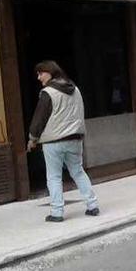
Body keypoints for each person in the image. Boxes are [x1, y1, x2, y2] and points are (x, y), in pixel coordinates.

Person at [28, 61, 99, 222]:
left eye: (41, 73)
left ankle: (57, 212)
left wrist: (32, 138)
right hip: (75, 138)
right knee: (78, 171)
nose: (39, 77)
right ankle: (92, 205)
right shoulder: (76, 90)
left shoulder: (48, 93)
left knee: (53, 176)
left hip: (54, 141)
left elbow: (39, 119)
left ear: (51, 72)